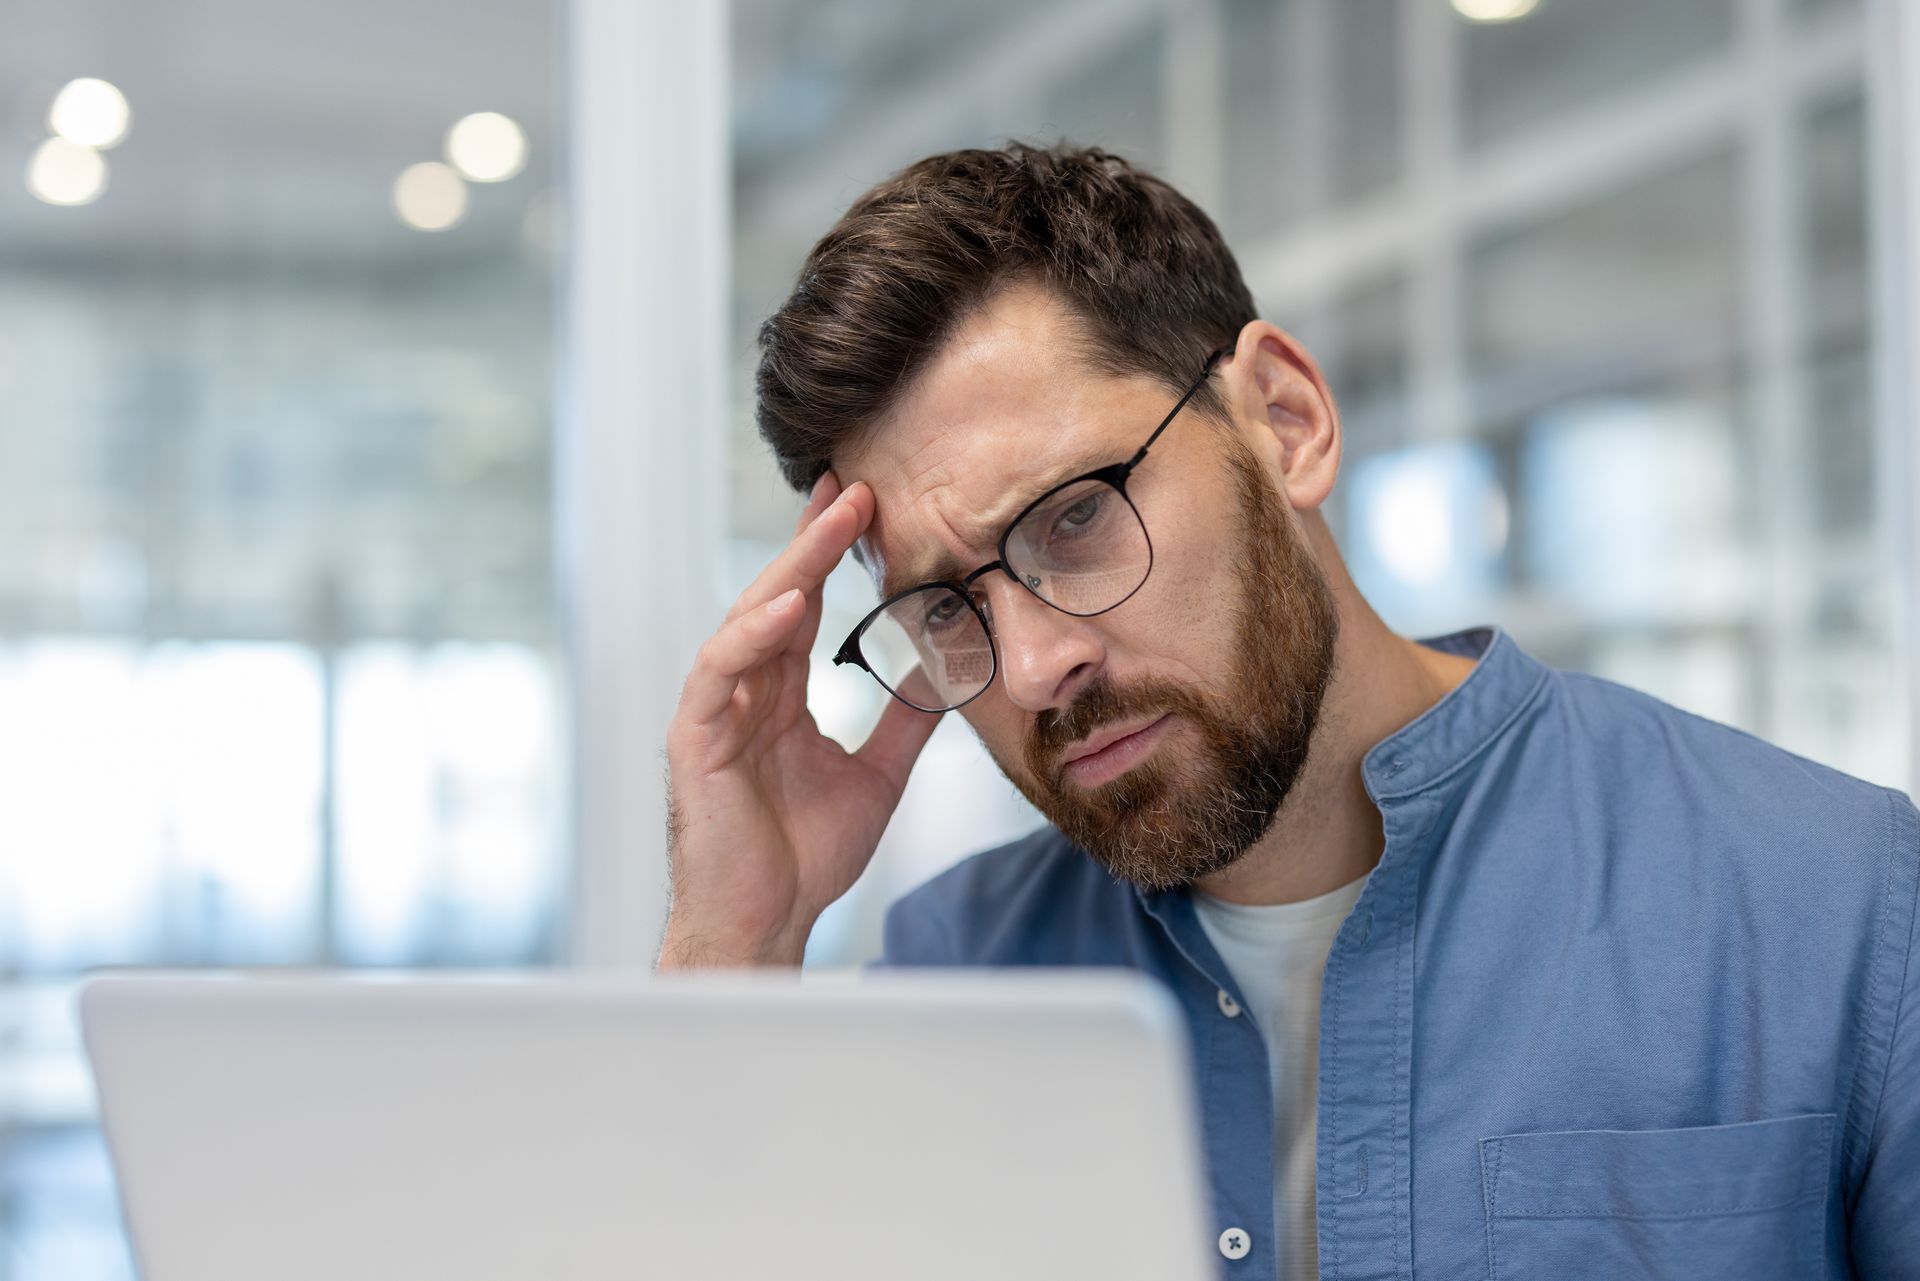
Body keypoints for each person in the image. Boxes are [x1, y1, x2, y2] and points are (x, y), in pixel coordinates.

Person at [657, 143, 1917, 1280]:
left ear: (1286, 421)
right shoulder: (963, 979)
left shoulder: (1839, 909)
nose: (1034, 664)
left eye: (1077, 518)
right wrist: (735, 943)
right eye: (946, 608)